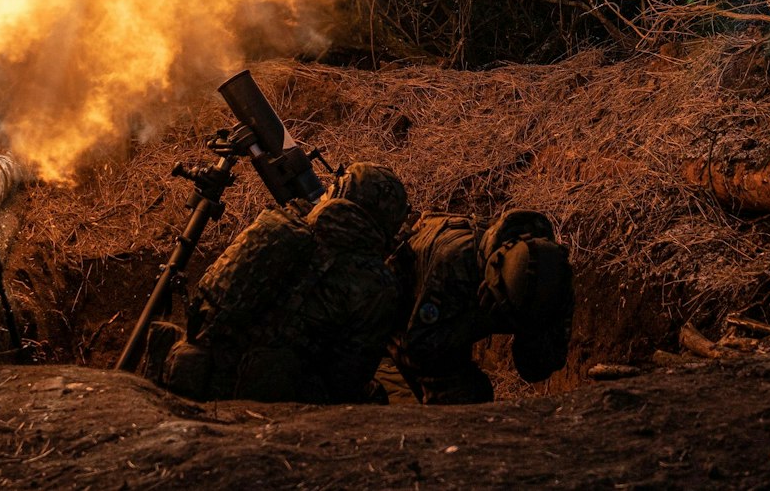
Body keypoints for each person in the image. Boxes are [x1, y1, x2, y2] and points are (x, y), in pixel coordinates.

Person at [160, 163, 408, 403]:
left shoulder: (275, 226)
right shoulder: (378, 284)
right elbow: (348, 380)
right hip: (277, 405)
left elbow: (204, 309)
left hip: (197, 380)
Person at [386, 209, 574, 404]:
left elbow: (539, 365)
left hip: (458, 310)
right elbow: (419, 345)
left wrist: (536, 335)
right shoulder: (453, 264)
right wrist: (470, 324)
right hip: (405, 310)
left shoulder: (552, 278)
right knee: (465, 396)